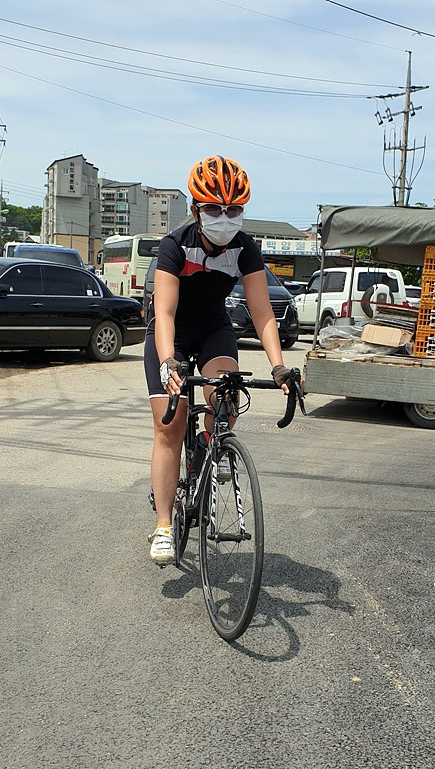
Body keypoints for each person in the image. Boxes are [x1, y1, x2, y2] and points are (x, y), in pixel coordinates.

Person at [145, 155, 292, 566]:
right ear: (196, 210)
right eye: (213, 209)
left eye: (233, 210)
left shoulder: (245, 248)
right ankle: (163, 526)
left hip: (213, 328)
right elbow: (165, 313)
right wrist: (169, 362)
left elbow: (262, 313)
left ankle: (212, 446)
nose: (224, 218)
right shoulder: (175, 245)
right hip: (171, 333)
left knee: (227, 394)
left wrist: (278, 366)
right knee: (170, 426)